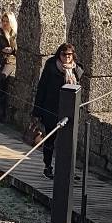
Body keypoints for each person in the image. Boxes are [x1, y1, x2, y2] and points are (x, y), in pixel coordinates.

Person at [32, 42, 83, 180]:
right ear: (59, 54)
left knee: (69, 142)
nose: (67, 57)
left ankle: (68, 171)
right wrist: (37, 112)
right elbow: (41, 89)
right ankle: (47, 167)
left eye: (69, 55)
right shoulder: (51, 67)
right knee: (50, 140)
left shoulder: (76, 70)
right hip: (51, 109)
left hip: (69, 111)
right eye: (64, 54)